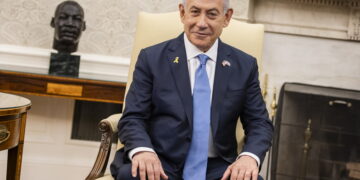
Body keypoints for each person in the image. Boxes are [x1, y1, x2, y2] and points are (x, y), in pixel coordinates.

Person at [110, 0, 274, 179]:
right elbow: (133, 117)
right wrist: (143, 151)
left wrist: (249, 157)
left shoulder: (244, 66)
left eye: (212, 14)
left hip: (219, 168)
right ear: (182, 13)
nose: (201, 23)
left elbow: (259, 123)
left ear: (226, 18)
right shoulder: (152, 59)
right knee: (131, 175)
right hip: (161, 162)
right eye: (195, 12)